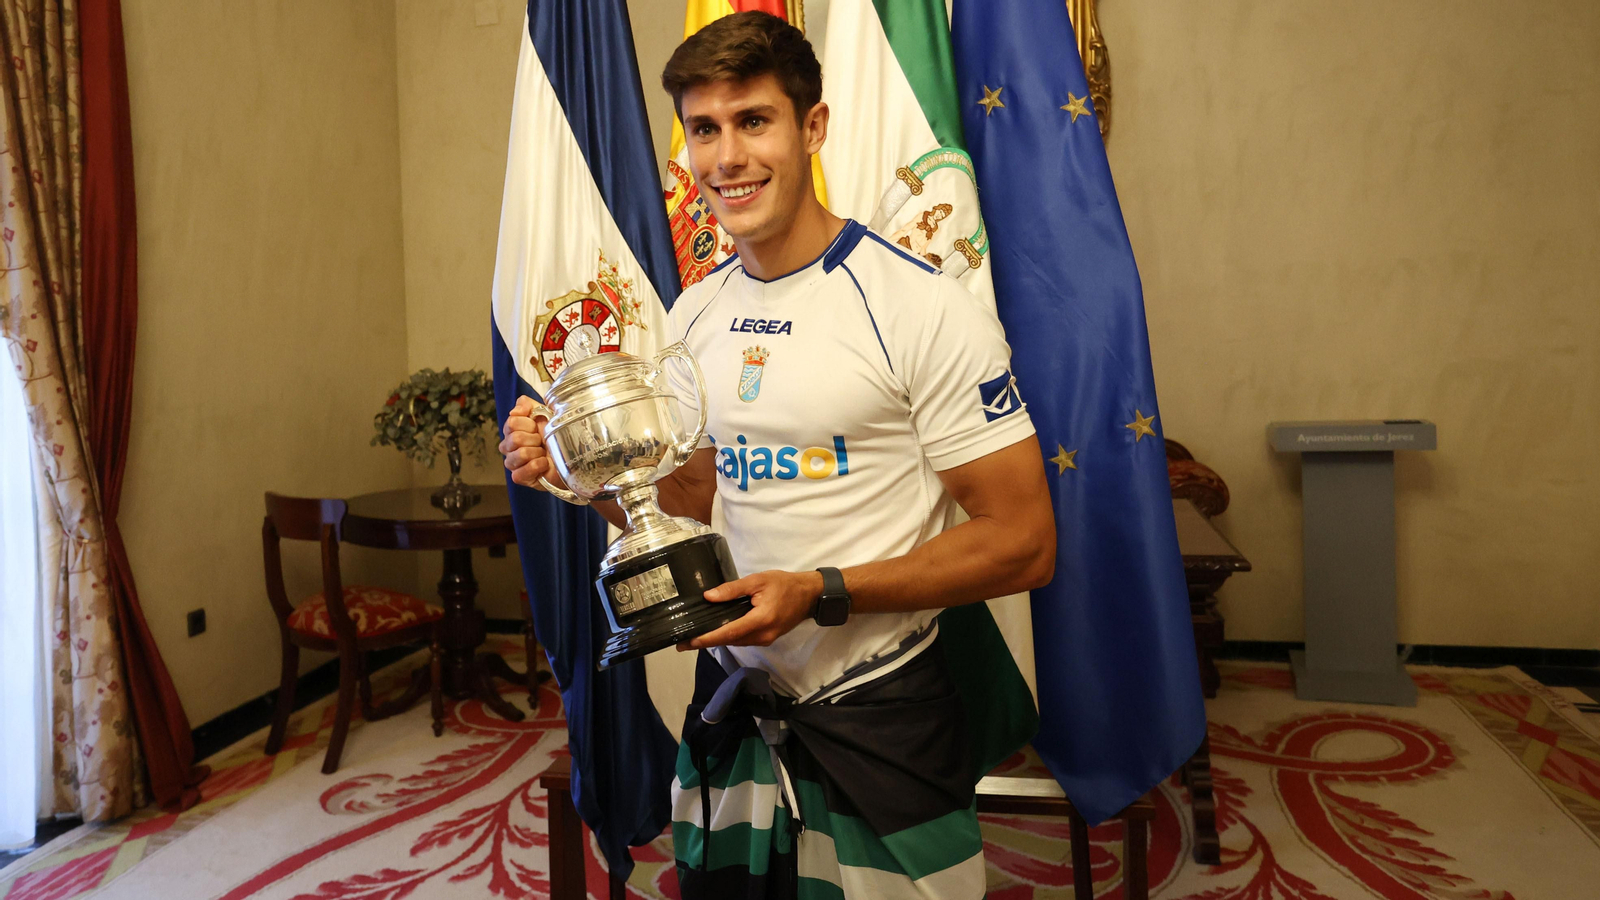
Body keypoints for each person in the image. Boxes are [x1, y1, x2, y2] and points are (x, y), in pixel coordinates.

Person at [500, 11, 1055, 899]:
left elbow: (1025, 541)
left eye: (754, 121)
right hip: (735, 707)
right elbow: (690, 501)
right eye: (704, 130)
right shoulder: (691, 320)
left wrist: (821, 591)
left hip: (883, 711)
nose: (728, 157)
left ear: (813, 127)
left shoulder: (920, 308)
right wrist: (581, 478)